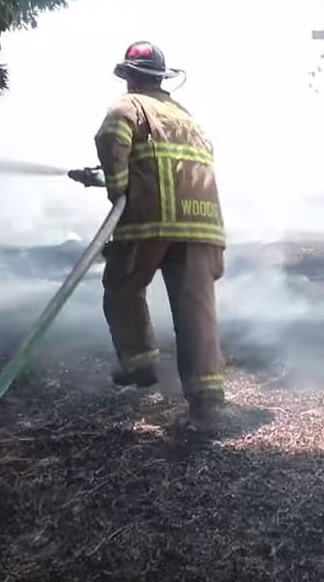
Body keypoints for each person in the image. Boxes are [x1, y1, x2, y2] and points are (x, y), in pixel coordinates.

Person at [91, 40, 229, 428]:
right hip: (201, 223)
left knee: (122, 285)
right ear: (161, 78)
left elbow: (111, 141)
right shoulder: (187, 117)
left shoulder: (128, 106)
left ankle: (138, 363)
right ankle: (207, 401)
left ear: (131, 77)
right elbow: (163, 162)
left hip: (152, 220)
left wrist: (118, 191)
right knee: (197, 310)